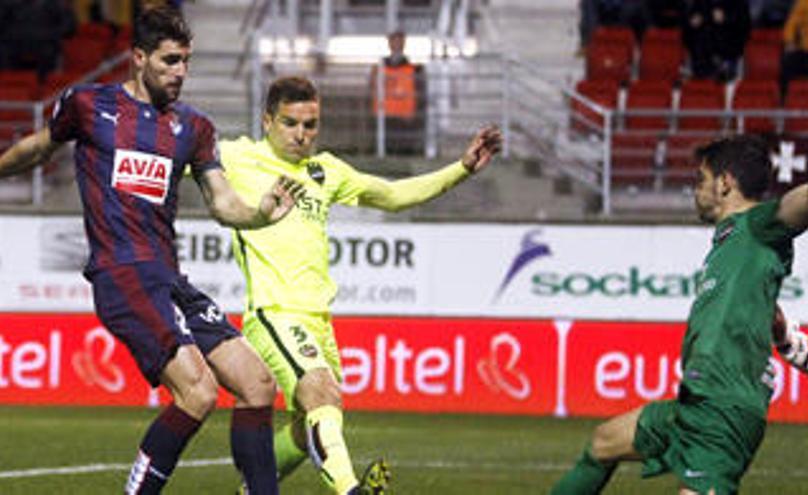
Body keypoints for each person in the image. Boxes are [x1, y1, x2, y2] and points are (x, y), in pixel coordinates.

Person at [551, 44, 808, 495]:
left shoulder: (760, 226)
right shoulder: (733, 244)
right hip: (693, 403)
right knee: (604, 442)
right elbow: (756, 303)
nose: (696, 191)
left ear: (725, 183)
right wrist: (787, 339)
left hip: (724, 412)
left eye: (700, 181)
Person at [0, 7, 304, 494]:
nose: (181, 71)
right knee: (199, 391)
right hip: (121, 274)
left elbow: (222, 201)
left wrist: (260, 212)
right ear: (138, 58)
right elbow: (37, 148)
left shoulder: (194, 127)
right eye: (169, 61)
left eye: (186, 61)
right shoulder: (87, 104)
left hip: (168, 278)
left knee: (257, 384)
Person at [219, 76, 502, 494]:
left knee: (308, 423)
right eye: (290, 123)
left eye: (310, 124)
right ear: (267, 121)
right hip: (273, 313)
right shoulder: (236, 156)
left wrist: (460, 170)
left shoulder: (326, 170)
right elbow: (168, 156)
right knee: (321, 393)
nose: (301, 135)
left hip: (318, 319)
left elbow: (391, 194)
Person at [369, 30, 425, 155]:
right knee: (385, 149)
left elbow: (418, 93)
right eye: (393, 41)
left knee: (403, 150)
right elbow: (372, 89)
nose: (397, 44)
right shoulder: (379, 68)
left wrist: (414, 114)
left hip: (405, 117)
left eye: (400, 41)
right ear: (389, 43)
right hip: (384, 116)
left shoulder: (414, 69)